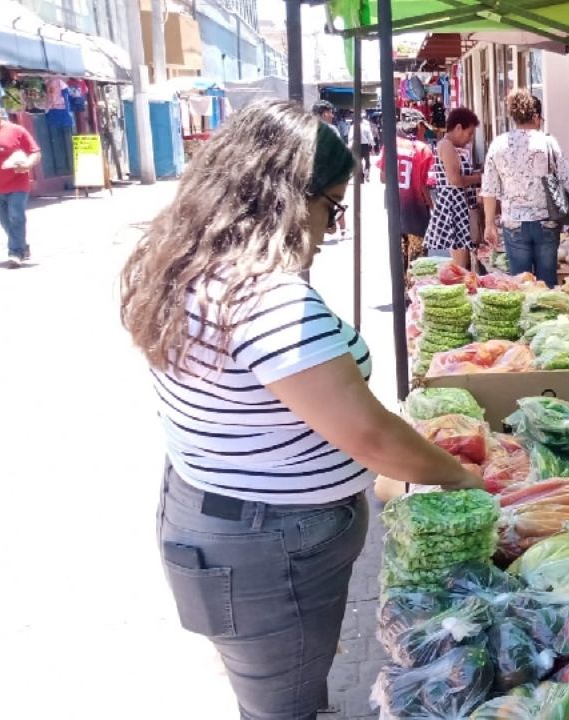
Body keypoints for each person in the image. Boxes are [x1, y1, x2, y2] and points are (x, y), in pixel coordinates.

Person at [119, 101, 480, 720]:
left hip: (215, 511)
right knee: (280, 705)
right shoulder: (269, 301)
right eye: (332, 205)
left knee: (278, 690)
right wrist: (459, 474)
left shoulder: (187, 266)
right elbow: (368, 434)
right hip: (268, 540)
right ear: (290, 198)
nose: (330, 224)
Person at [481, 89, 569, 287]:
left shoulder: (498, 145)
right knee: (547, 281)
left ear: (513, 116)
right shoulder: (548, 142)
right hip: (547, 221)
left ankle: (525, 316)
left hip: (514, 223)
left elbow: (489, 189)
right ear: (535, 117)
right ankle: (548, 316)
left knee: (520, 282)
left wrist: (489, 223)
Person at [0, 98, 41, 267]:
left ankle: (15, 252)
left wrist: (28, 164)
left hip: (17, 183)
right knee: (4, 221)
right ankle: (22, 245)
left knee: (16, 216)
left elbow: (35, 152)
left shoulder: (16, 130)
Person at [425, 107, 483, 270]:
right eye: (469, 133)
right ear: (458, 128)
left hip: (457, 204)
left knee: (461, 258)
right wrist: (479, 178)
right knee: (460, 263)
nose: (470, 138)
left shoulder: (447, 145)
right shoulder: (447, 145)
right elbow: (455, 180)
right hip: (455, 205)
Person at [380, 120, 435, 280]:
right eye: (423, 131)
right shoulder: (423, 149)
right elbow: (426, 185)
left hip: (395, 207)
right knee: (417, 254)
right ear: (417, 128)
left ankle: (401, 288)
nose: (424, 135)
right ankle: (414, 291)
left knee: (399, 251)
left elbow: (383, 178)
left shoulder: (390, 146)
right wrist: (432, 206)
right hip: (416, 210)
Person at [311, 100, 348, 239]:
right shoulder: (330, 129)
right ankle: (343, 230)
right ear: (323, 113)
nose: (332, 115)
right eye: (330, 112)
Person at [351, 113, 374, 178]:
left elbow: (350, 137)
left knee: (359, 160)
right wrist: (372, 146)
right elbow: (370, 137)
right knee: (367, 161)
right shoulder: (366, 127)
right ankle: (366, 173)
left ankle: (360, 175)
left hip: (357, 146)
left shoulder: (353, 127)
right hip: (365, 146)